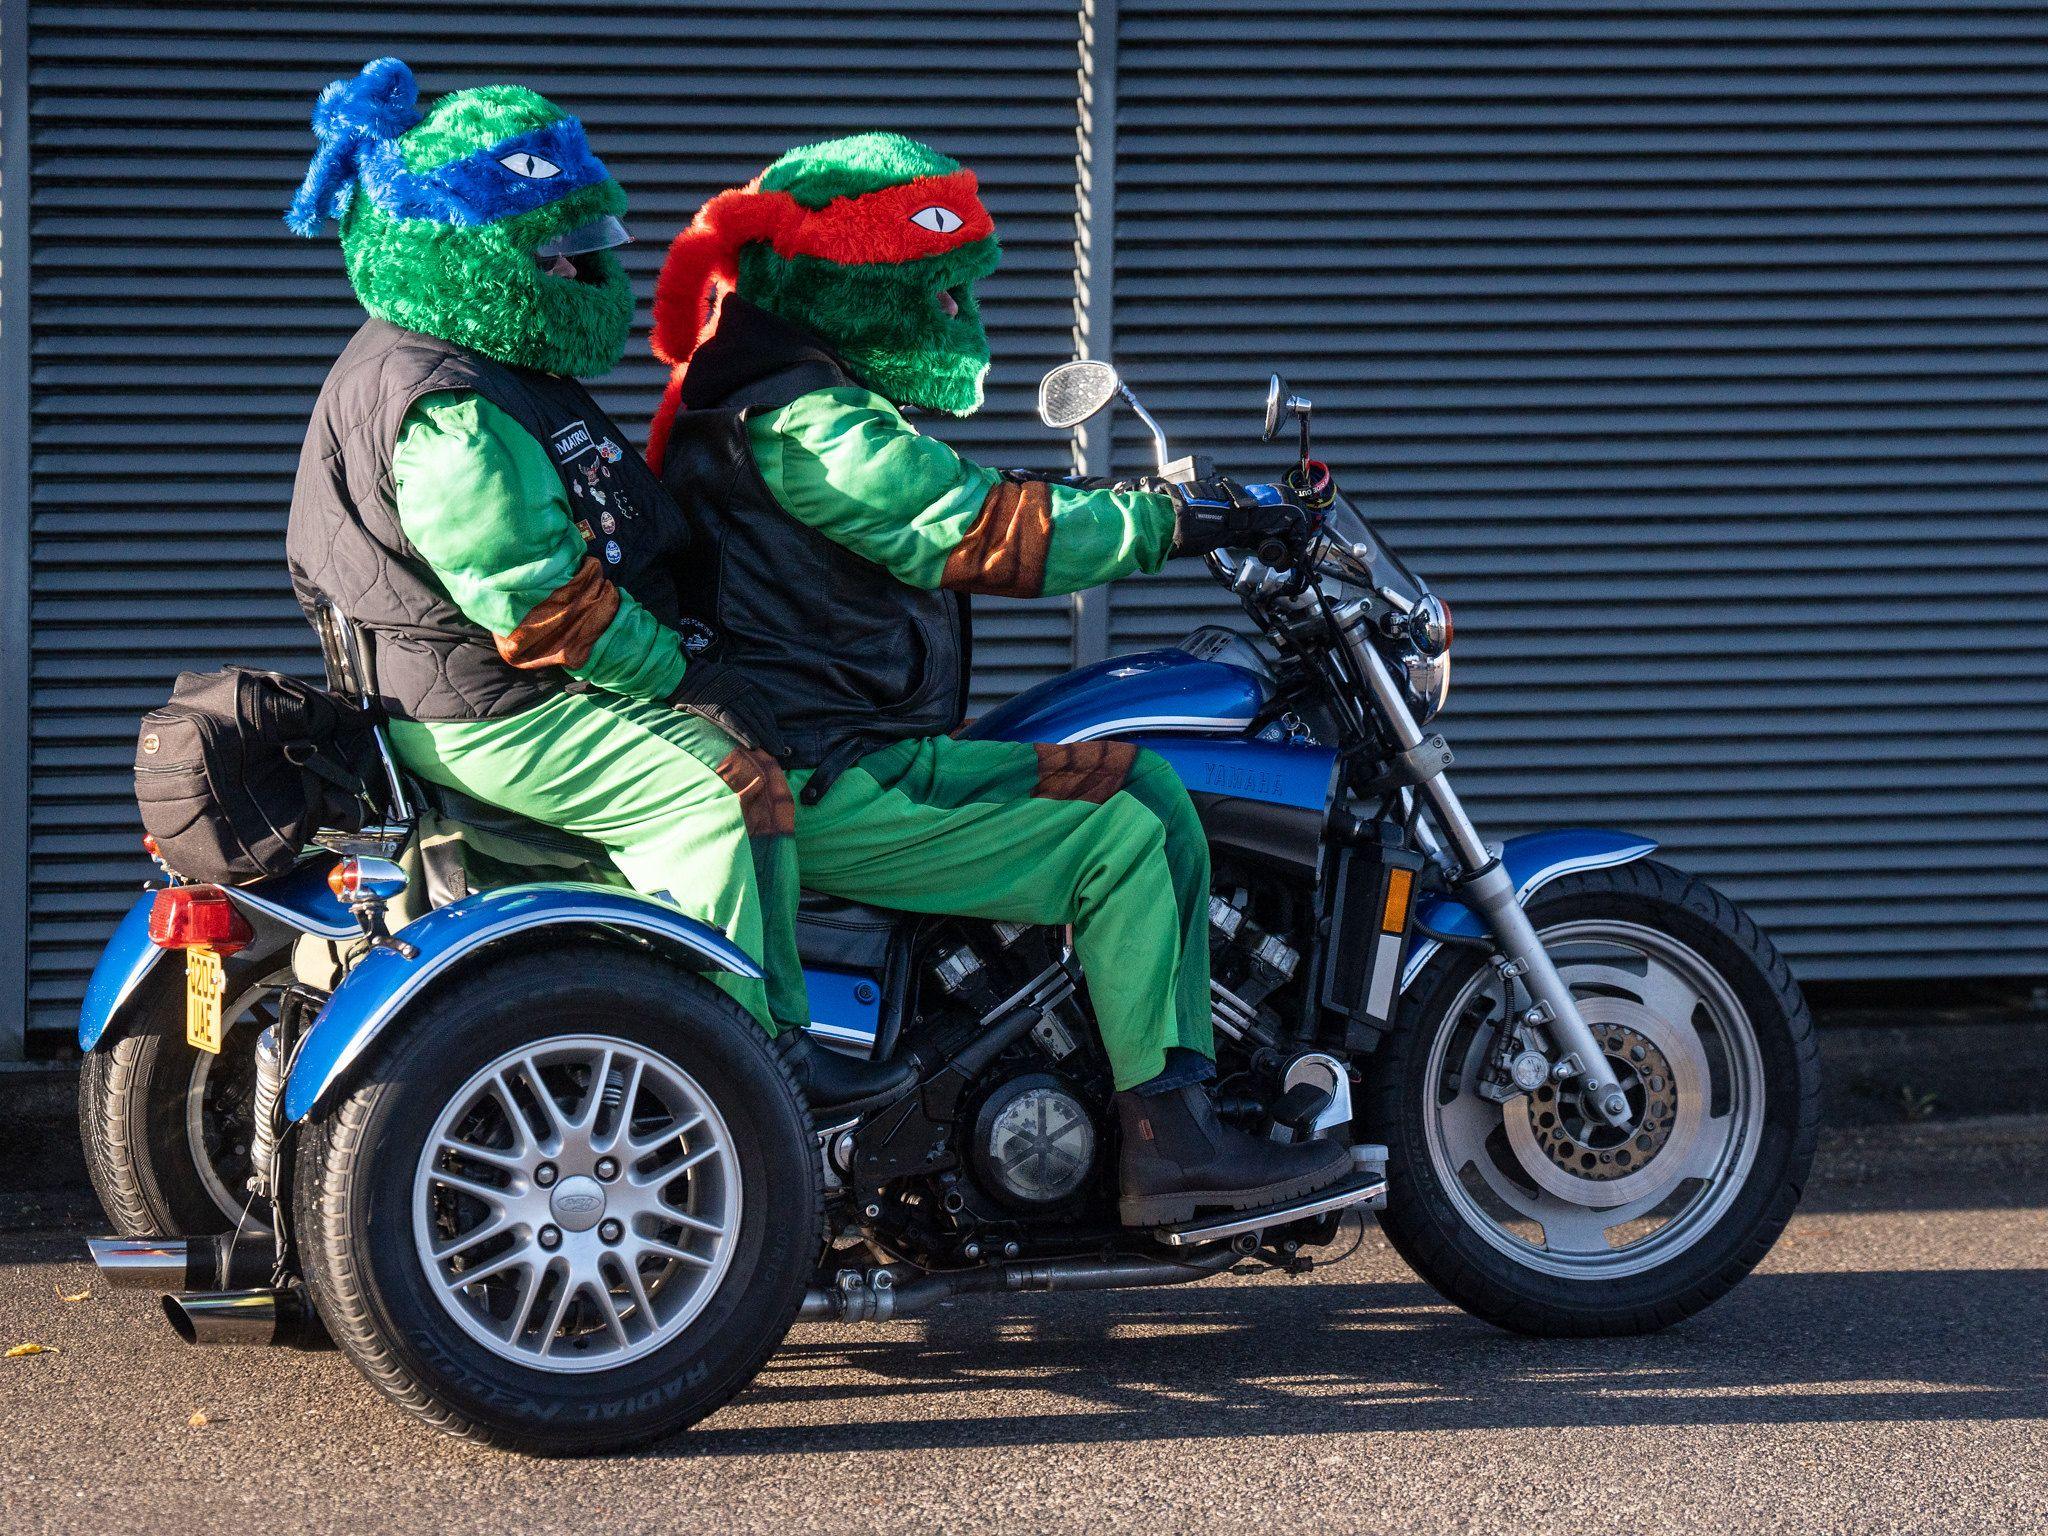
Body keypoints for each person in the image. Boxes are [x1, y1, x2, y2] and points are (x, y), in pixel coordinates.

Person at [645, 132, 1353, 1224]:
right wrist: (1175, 518)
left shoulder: (785, 394)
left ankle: (1174, 1108)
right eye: (934, 297)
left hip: (851, 741)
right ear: (859, 285)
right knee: (1113, 841)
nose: (957, 324)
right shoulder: (802, 416)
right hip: (821, 771)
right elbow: (966, 525)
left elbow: (938, 494)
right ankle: (1168, 1147)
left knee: (1146, 785)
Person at [278, 59, 905, 1110]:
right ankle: (740, 1077)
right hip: (492, 710)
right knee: (717, 792)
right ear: (469, 251)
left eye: (581, 252)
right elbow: (539, 604)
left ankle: (734, 1033)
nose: (582, 278)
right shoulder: (445, 401)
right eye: (554, 256)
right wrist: (684, 681)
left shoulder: (483, 365)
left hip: (487, 689)